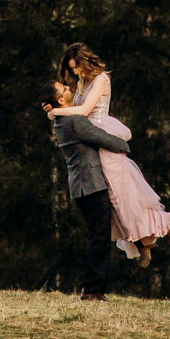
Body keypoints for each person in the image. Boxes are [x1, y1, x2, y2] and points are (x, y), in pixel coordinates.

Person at [57, 44, 170, 266]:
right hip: (91, 138)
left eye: (77, 68)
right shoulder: (82, 82)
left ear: (85, 61)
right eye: (73, 70)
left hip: (102, 133)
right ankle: (145, 242)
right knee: (114, 201)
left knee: (119, 196)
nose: (76, 73)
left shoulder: (101, 79)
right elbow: (73, 107)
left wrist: (57, 112)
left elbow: (83, 111)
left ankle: (163, 225)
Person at [41, 81, 132, 300]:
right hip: (91, 185)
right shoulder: (74, 121)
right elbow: (102, 138)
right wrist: (124, 145)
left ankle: (93, 288)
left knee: (97, 235)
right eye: (64, 89)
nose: (69, 88)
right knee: (99, 238)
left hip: (81, 186)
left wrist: (51, 112)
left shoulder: (62, 120)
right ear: (61, 100)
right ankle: (92, 290)